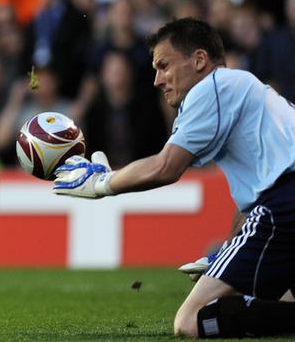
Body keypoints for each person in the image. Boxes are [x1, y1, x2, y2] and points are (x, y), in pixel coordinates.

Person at [53, 17, 295, 338]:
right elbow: (250, 202)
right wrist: (227, 250)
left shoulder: (213, 87)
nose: (157, 80)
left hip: (285, 205)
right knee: (279, 299)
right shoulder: (246, 95)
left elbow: (165, 167)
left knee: (191, 320)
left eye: (164, 66)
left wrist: (102, 183)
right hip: (283, 203)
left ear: (199, 60)